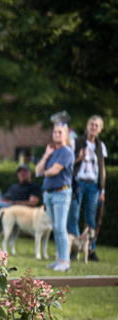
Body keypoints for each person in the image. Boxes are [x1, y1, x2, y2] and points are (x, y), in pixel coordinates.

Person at [36, 122, 75, 271]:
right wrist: (46, 155)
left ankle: (65, 262)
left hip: (61, 193)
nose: (57, 135)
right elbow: (37, 169)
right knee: (55, 227)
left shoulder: (67, 152)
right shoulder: (52, 152)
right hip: (49, 194)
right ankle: (59, 259)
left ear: (65, 135)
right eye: (55, 132)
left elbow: (54, 171)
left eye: (60, 132)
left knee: (60, 227)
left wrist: (42, 172)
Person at [68, 115, 106, 261]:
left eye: (97, 125)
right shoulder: (76, 142)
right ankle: (75, 247)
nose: (93, 127)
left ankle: (90, 249)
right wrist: (79, 156)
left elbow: (102, 169)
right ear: (87, 125)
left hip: (94, 185)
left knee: (91, 218)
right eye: (91, 124)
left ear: (100, 129)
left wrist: (102, 189)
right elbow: (69, 162)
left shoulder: (100, 146)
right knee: (74, 215)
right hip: (78, 182)